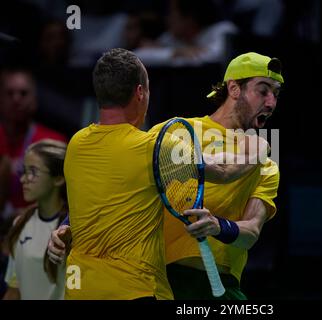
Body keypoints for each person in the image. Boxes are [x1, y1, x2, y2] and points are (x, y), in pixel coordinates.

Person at [49, 52, 282, 300]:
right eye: (263, 90)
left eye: (276, 95)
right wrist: (68, 224)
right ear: (234, 88)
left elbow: (251, 233)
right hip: (161, 278)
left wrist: (218, 226)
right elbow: (117, 185)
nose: (271, 103)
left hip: (218, 285)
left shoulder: (267, 164)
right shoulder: (175, 132)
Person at [3, 139, 67, 300]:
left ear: (58, 179)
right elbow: (14, 290)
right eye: (24, 171)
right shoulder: (19, 224)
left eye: (33, 172)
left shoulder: (73, 231)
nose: (23, 179)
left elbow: (77, 289)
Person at [0, 68, 66, 219]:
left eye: (23, 93)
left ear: (35, 100)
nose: (16, 99)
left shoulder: (54, 144)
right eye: (9, 93)